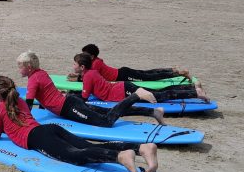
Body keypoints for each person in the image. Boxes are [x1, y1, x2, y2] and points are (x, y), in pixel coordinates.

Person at [0, 76, 160, 172]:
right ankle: (141, 148)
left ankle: (120, 157)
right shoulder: (19, 102)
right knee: (88, 145)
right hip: (49, 129)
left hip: (37, 138)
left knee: (76, 156)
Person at [17, 51, 165, 127]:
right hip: (69, 102)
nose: (18, 69)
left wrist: (23, 122)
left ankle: (136, 95)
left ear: (29, 67)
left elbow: (28, 106)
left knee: (106, 121)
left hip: (69, 107)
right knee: (108, 111)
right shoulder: (41, 73)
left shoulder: (32, 81)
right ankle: (153, 112)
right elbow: (45, 96)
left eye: (20, 66)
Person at [73, 53, 209, 103]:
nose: (73, 66)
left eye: (75, 64)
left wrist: (68, 97)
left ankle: (195, 92)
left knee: (160, 96)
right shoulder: (91, 72)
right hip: (123, 86)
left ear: (82, 67)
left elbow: (84, 98)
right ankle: (192, 88)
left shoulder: (88, 76)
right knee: (159, 91)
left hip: (123, 91)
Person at [72, 43, 191, 82]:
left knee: (149, 77)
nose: (82, 56)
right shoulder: (95, 61)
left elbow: (92, 78)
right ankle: (172, 70)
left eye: (85, 54)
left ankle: (179, 73)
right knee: (146, 73)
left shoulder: (95, 64)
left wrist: (77, 78)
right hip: (122, 71)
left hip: (123, 75)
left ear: (92, 56)